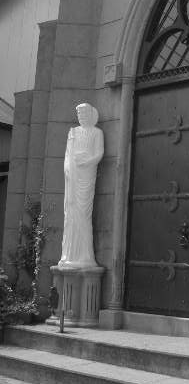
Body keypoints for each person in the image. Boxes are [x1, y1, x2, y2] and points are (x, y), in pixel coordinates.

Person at [59, 103, 104, 267]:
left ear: (91, 115)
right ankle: (69, 254)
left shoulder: (97, 132)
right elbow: (67, 156)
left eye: (84, 114)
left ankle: (85, 255)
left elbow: (99, 153)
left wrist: (87, 161)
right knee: (71, 213)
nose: (81, 117)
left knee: (84, 214)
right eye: (79, 114)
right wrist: (69, 170)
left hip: (87, 175)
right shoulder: (73, 132)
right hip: (74, 175)